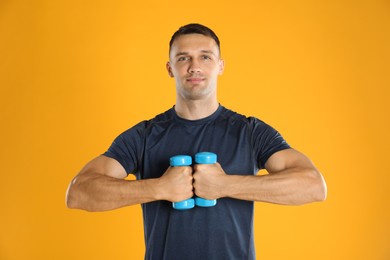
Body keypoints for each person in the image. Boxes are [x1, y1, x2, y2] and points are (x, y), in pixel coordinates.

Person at [66, 23, 327, 260]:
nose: (195, 66)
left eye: (205, 56)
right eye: (183, 58)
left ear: (220, 66)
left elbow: (313, 186)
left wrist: (225, 185)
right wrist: (159, 188)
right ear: (170, 68)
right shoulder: (145, 135)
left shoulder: (249, 132)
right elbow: (78, 193)